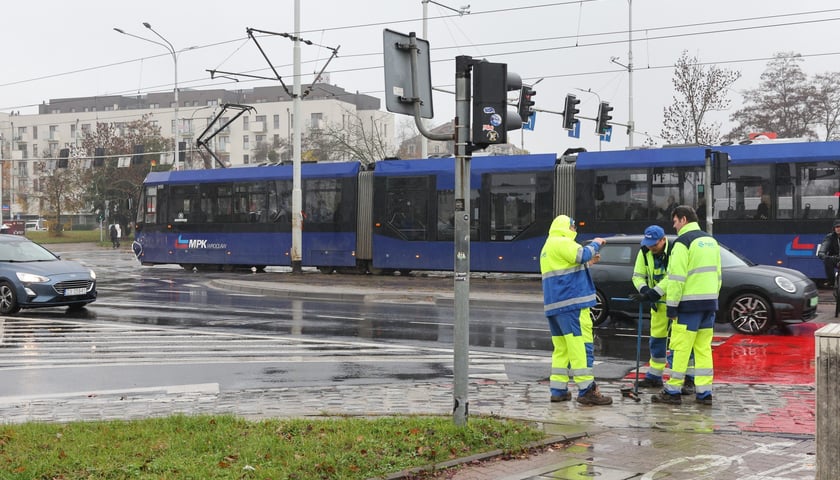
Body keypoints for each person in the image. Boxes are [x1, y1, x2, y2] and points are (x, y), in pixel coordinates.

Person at [651, 206, 721, 406]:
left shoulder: (683, 243)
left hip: (688, 306)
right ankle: (704, 393)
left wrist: (672, 307)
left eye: (674, 221)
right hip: (709, 305)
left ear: (683, 219)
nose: (673, 226)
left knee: (680, 348)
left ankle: (672, 391)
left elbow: (676, 279)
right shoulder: (711, 241)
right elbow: (718, 275)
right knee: (703, 349)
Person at [540, 214, 612, 406]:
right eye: (573, 227)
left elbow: (568, 268)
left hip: (555, 306)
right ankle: (587, 390)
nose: (574, 231)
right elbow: (581, 254)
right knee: (579, 346)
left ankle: (558, 390)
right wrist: (596, 243)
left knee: (562, 349)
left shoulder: (548, 246)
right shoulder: (562, 242)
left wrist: (588, 263)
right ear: (566, 227)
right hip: (572, 304)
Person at [818, 219, 840, 288]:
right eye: (837, 227)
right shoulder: (830, 237)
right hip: (836, 258)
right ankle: (832, 282)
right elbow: (825, 245)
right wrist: (822, 253)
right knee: (827, 260)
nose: (838, 229)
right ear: (834, 228)